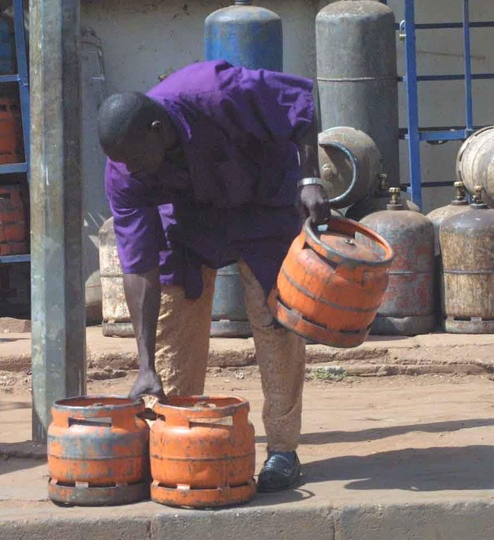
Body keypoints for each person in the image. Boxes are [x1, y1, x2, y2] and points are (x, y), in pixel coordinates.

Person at [98, 59, 329, 492]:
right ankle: (176, 441)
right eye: (121, 163)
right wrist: (144, 364)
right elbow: (139, 264)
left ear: (156, 128)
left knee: (276, 319)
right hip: (190, 219)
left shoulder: (216, 90)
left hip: (264, 201)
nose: (129, 168)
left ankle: (283, 449)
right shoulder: (125, 168)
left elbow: (300, 105)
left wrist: (310, 175)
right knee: (170, 314)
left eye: (135, 158)